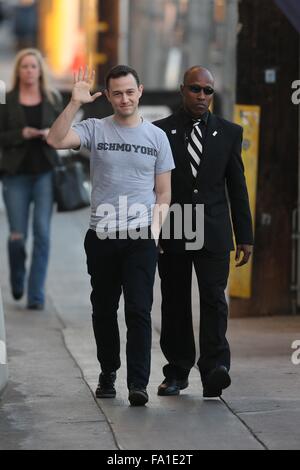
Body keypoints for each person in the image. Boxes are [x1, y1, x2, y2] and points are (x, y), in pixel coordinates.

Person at [47, 65, 174, 406]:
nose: (124, 98)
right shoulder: (94, 129)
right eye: (117, 93)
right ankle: (108, 371)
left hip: (140, 239)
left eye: (130, 91)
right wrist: (74, 103)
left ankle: (138, 384)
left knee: (139, 311)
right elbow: (55, 139)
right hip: (102, 236)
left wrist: (154, 233)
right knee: (104, 309)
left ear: (140, 91)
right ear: (108, 95)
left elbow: (163, 193)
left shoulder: (157, 137)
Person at [154, 66, 254, 398]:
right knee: (176, 301)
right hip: (176, 225)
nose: (201, 96)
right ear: (183, 90)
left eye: (207, 91)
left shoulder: (229, 133)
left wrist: (246, 236)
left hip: (213, 228)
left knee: (214, 299)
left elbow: (237, 188)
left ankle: (215, 369)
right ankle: (178, 371)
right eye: (195, 89)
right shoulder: (160, 132)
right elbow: (151, 187)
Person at [0, 48, 62, 310]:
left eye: (33, 66)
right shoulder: (7, 100)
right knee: (17, 235)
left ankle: (35, 293)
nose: (29, 71)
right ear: (18, 71)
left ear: (40, 70)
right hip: (15, 174)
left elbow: (65, 131)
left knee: (43, 233)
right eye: (24, 66)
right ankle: (17, 277)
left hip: (45, 173)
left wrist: (52, 133)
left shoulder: (52, 98)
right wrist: (20, 134)